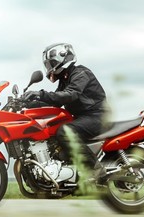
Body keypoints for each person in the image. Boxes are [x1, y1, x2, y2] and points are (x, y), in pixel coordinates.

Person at [23, 43, 111, 179]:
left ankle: (97, 172)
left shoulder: (81, 73)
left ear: (62, 59)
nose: (49, 67)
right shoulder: (65, 80)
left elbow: (70, 94)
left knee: (65, 132)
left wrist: (40, 94)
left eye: (51, 63)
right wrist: (28, 103)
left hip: (97, 116)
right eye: (47, 65)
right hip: (82, 117)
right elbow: (55, 100)